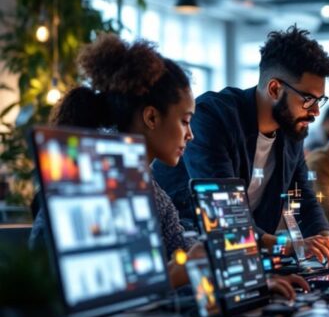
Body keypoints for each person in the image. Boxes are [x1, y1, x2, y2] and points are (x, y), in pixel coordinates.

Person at [41, 34, 307, 297]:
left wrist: (257, 281)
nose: (190, 135)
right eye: (184, 121)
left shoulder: (152, 192)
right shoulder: (91, 179)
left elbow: (183, 249)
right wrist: (180, 272)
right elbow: (90, 288)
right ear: (152, 117)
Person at [152, 26, 329, 270]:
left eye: (320, 101)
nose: (316, 111)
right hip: (185, 255)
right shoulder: (212, 118)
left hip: (243, 258)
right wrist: (289, 246)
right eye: (308, 99)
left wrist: (325, 240)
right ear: (275, 89)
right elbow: (223, 214)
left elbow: (302, 199)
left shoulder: (291, 132)